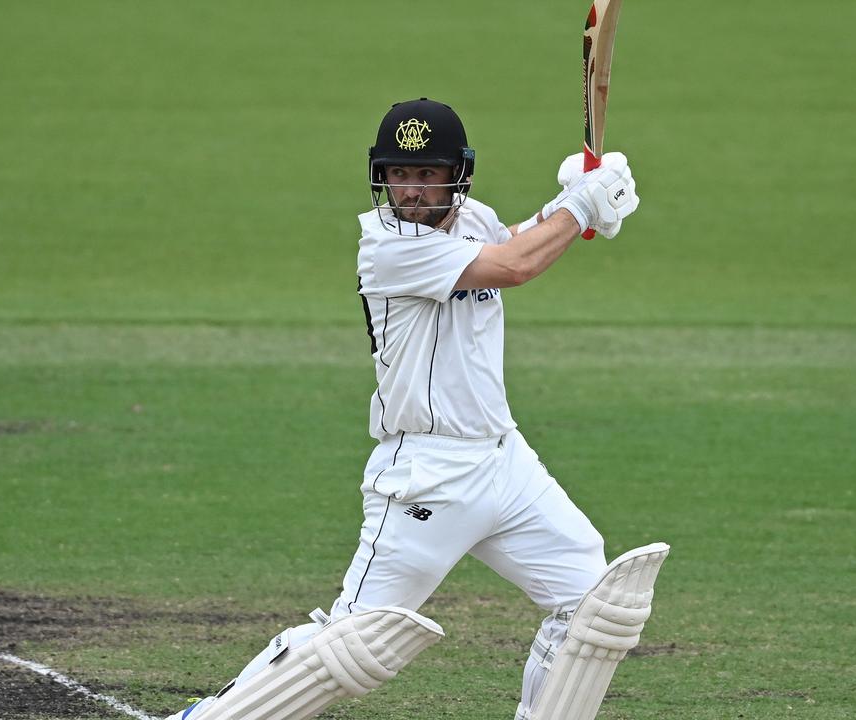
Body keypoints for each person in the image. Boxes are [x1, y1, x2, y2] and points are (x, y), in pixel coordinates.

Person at [167, 98, 669, 720]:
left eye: (426, 173)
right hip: (426, 472)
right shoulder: (388, 246)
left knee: (594, 602)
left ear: (458, 174)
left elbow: (511, 241)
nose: (410, 189)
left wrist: (567, 204)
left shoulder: (471, 221)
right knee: (350, 644)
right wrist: (582, 206)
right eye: (399, 174)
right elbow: (515, 266)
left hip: (503, 460)